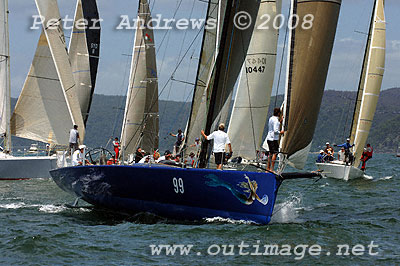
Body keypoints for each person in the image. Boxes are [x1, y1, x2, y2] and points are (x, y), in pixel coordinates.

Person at [263, 108, 284, 172]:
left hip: (269, 138)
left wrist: (280, 121)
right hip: (273, 139)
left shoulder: (271, 118)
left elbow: (273, 126)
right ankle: (271, 169)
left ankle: (268, 169)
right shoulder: (276, 121)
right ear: (278, 113)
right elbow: (275, 130)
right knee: (275, 153)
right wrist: (281, 132)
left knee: (271, 153)